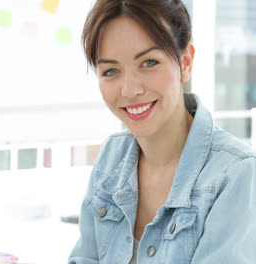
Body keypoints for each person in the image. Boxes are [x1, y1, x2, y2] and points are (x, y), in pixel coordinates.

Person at [68, 0, 256, 263]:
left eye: (149, 63)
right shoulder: (112, 156)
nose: (130, 90)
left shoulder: (236, 174)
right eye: (111, 71)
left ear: (186, 62)